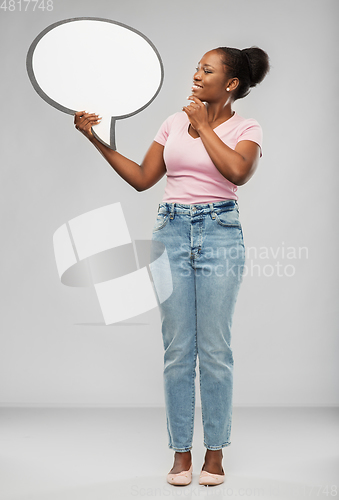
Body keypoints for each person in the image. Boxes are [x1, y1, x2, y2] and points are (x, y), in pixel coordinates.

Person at [74, 45, 270, 486]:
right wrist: (95, 138)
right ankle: (181, 453)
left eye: (207, 70)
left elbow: (238, 172)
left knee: (215, 349)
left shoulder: (247, 126)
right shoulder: (172, 123)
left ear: (231, 83)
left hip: (220, 232)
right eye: (198, 68)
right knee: (178, 349)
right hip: (171, 232)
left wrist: (203, 126)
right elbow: (144, 178)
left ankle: (214, 454)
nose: (197, 75)